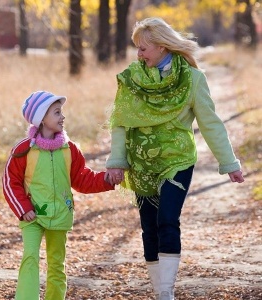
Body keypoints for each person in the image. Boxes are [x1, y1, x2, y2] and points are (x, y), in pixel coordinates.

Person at [105, 17, 244, 300]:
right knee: (149, 227)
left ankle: (166, 292)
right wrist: (117, 161)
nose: (138, 54)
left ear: (161, 46)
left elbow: (210, 123)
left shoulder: (192, 79)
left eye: (143, 48)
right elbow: (120, 123)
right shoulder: (131, 79)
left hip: (177, 161)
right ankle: (159, 290)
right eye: (137, 49)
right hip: (141, 165)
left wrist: (228, 163)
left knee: (167, 219)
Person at [2, 90, 114, 300]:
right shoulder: (24, 150)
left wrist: (106, 180)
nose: (62, 117)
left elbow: (82, 179)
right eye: (56, 113)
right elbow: (10, 181)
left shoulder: (70, 149)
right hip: (32, 216)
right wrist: (23, 208)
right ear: (42, 118)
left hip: (60, 215)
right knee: (30, 257)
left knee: (56, 265)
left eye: (61, 112)